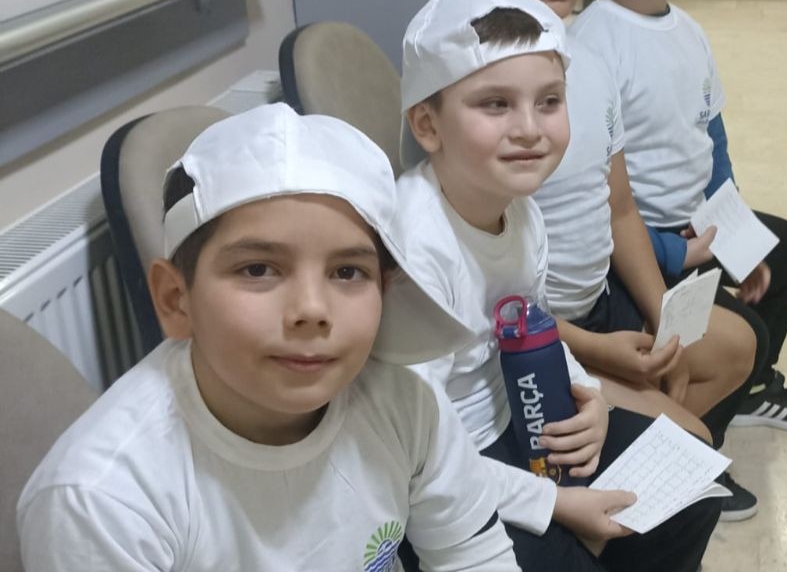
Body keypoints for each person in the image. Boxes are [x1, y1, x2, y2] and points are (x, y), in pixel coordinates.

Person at [17, 103, 518, 570]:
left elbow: (472, 554)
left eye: (347, 272)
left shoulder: (405, 403)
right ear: (175, 299)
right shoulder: (102, 501)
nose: (311, 310)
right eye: (258, 269)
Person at [446, 0, 763, 521]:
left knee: (734, 347)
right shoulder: (465, 100)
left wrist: (660, 315)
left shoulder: (583, 64)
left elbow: (618, 207)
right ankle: (615, 489)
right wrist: (598, 352)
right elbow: (488, 298)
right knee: (691, 444)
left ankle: (649, 455)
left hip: (598, 305)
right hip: (530, 339)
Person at [377, 0, 720, 572]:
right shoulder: (415, 252)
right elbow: (419, 454)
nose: (530, 128)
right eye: (496, 104)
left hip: (521, 419)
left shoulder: (522, 214)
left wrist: (590, 399)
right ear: (428, 125)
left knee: (689, 496)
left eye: (549, 102)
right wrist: (555, 503)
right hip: (443, 469)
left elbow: (537, 331)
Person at [574, 0, 787, 436]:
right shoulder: (594, 44)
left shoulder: (690, 32)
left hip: (694, 224)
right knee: (738, 330)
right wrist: (671, 253)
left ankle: (752, 388)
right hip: (639, 248)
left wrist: (735, 234)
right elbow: (602, 196)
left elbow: (711, 139)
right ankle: (697, 437)